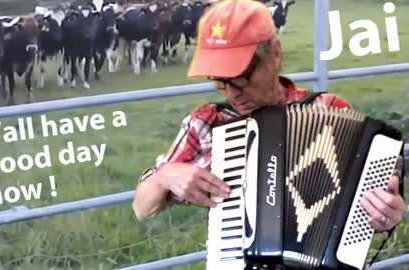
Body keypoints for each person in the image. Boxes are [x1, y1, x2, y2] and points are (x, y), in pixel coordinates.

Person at [132, 0, 406, 236]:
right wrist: (164, 175)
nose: (232, 94)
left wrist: (384, 213)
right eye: (220, 82)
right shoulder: (207, 123)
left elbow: (377, 207)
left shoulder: (330, 110)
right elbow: (141, 209)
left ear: (275, 55)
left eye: (242, 78)